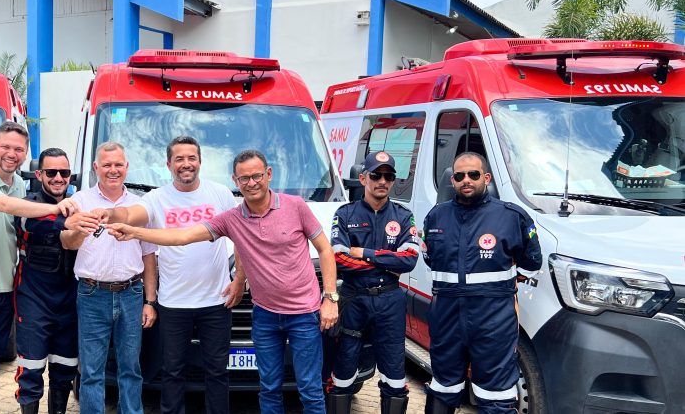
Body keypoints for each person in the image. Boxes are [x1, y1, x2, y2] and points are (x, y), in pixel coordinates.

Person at [107, 148, 339, 414]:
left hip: (303, 314)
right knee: (269, 389)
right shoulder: (232, 219)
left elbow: (325, 250)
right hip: (265, 316)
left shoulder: (295, 206)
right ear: (235, 181)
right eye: (244, 178)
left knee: (310, 389)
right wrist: (134, 232)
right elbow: (182, 237)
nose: (251, 183)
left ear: (268, 174)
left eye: (257, 176)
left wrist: (330, 297)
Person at [97, 136, 245, 414]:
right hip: (174, 303)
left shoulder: (221, 194)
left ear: (200, 161)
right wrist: (110, 213)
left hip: (216, 302)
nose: (186, 164)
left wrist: (239, 278)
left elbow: (240, 238)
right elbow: (130, 213)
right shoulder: (156, 198)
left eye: (191, 158)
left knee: (217, 372)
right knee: (173, 372)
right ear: (169, 164)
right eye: (179, 159)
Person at [0, 121, 79, 414]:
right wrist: (58, 210)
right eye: (6, 147)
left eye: (19, 149)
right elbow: (7, 206)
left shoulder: (19, 184)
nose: (12, 154)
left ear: (25, 154)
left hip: (5, 285)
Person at [422, 152, 542, 414]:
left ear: (486, 178)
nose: (466, 180)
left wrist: (496, 291)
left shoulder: (511, 217)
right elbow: (430, 258)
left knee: (495, 394)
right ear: (452, 181)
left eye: (473, 174)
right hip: (446, 319)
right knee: (443, 389)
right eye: (459, 176)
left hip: (493, 321)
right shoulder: (436, 217)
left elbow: (531, 263)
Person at [61, 142, 157, 414]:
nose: (113, 170)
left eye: (118, 165)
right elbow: (66, 242)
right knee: (91, 370)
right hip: (92, 294)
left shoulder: (140, 206)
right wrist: (80, 231)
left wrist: (150, 301)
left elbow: (149, 255)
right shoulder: (80, 201)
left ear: (126, 167)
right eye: (106, 165)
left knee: (131, 367)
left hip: (132, 293)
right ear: (96, 167)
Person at [327, 151, 420, 414]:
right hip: (354, 299)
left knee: (394, 374)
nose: (382, 181)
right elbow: (339, 260)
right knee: (344, 369)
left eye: (388, 176)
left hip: (390, 301)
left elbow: (409, 260)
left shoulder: (403, 215)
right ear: (363, 178)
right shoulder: (345, 213)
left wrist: (365, 253)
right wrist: (388, 261)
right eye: (376, 175)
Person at [12, 148, 79, 414]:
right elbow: (31, 222)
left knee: (64, 369)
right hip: (33, 300)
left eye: (64, 172)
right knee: (30, 370)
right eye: (51, 172)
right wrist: (69, 221)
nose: (58, 178)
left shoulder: (78, 204)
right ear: (39, 174)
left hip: (70, 301)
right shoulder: (27, 204)